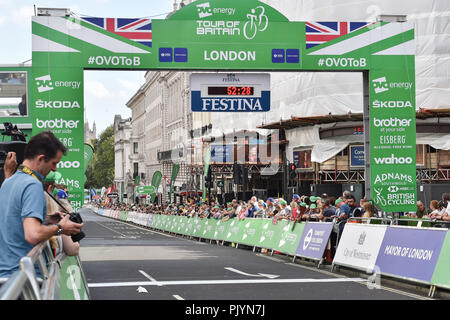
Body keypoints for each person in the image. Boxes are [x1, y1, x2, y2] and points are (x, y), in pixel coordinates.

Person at [0, 131, 83, 278]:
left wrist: (49, 220)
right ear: (41, 158)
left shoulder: (8, 183)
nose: (55, 169)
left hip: (7, 275)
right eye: (54, 163)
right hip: (27, 279)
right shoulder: (33, 185)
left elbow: (14, 221)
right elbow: (32, 234)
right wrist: (60, 228)